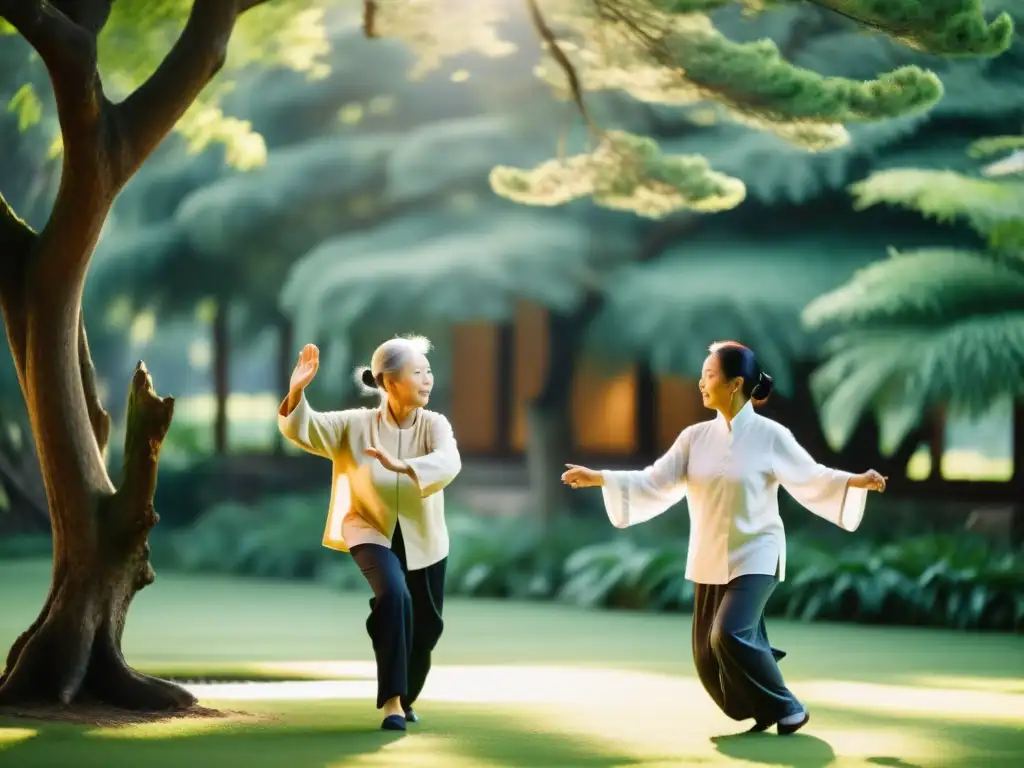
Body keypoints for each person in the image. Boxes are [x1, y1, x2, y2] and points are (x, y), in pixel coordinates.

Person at [561, 341, 886, 736]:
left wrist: (856, 481)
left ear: (735, 384)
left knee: (728, 633)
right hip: (709, 556)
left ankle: (790, 708)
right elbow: (655, 481)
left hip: (758, 553)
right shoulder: (693, 438)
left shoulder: (771, 435)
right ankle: (765, 706)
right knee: (705, 654)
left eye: (709, 375)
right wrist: (601, 478)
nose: (700, 383)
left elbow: (812, 475)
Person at [278, 335, 462, 732]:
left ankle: (406, 694)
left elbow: (449, 462)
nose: (428, 380)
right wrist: (296, 391)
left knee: (426, 627)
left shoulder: (435, 425)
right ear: (389, 382)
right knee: (394, 596)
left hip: (425, 538)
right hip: (368, 527)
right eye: (418, 373)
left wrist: (403, 466)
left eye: (428, 372)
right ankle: (392, 702)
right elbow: (304, 428)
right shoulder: (355, 425)